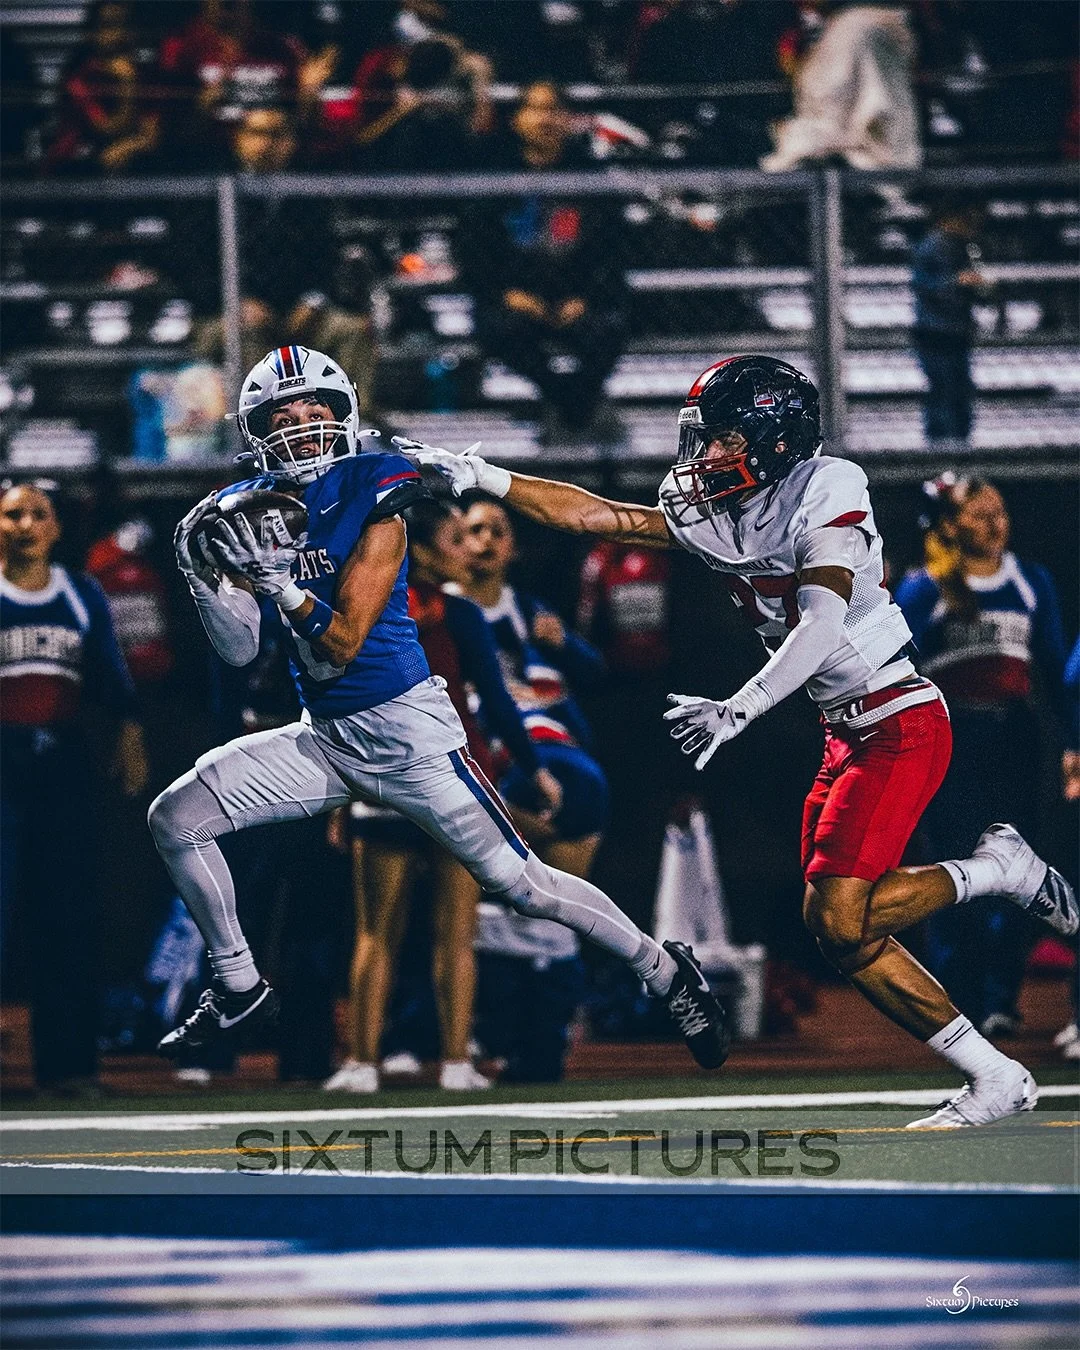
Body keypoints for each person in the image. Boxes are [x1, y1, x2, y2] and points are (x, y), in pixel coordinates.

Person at [409, 352, 1079, 1129]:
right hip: (844, 729)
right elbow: (602, 516)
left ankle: (997, 870)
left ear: (774, 439)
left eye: (722, 437)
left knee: (842, 918)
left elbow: (822, 622)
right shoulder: (713, 505)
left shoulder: (829, 485)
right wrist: (484, 476)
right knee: (841, 936)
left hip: (899, 719)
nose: (702, 455)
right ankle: (994, 1075)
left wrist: (740, 708)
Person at [147, 345, 728, 1073]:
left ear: (343, 415)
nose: (301, 428)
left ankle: (663, 969)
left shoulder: (374, 492)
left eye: (314, 411)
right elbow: (238, 653)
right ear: (256, 430)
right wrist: (207, 583)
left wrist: (281, 589)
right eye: (283, 417)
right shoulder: (249, 511)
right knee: (176, 818)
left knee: (523, 887)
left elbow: (343, 644)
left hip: (409, 737)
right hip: (326, 738)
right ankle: (237, 981)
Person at [326, 496, 562, 1093]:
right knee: (451, 935)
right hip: (449, 785)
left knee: (377, 933)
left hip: (382, 783)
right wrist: (534, 770)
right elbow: (496, 703)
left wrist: (340, 793)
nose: (468, 551)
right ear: (424, 550)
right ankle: (455, 1063)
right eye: (456, 540)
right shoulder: (455, 613)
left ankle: (362, 1064)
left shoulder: (359, 606)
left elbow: (337, 705)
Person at [895, 475, 1077, 1038]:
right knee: (954, 866)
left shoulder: (1030, 581)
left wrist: (1073, 742)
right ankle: (958, 997)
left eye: (1000, 511)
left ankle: (1001, 996)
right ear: (951, 525)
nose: (996, 524)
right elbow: (894, 670)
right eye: (980, 514)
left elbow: (1057, 672)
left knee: (1018, 865)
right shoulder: (924, 588)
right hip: (950, 743)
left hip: (1014, 740)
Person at [0, 480, 148, 1093]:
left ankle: (70, 1067)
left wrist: (130, 734)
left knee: (67, 915)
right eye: (12, 515)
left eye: (38, 514)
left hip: (62, 766)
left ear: (56, 528)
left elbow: (112, 675)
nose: (25, 525)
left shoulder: (81, 592)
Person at [458, 80, 629, 440]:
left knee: (611, 327)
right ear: (517, 119)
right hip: (513, 297)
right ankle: (569, 401)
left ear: (568, 119)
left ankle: (570, 403)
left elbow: (613, 248)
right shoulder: (494, 176)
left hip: (578, 296)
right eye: (535, 109)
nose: (545, 119)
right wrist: (508, 294)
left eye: (553, 110)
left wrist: (585, 297)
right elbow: (473, 248)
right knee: (501, 330)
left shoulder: (590, 177)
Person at [453, 497, 609, 883]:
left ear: (513, 549)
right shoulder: (439, 610)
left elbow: (595, 671)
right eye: (475, 530)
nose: (486, 540)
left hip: (548, 741)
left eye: (498, 532)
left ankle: (548, 917)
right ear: (454, 541)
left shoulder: (527, 610)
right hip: (477, 747)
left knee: (583, 785)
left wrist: (564, 644)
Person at [190, 106, 378, 417]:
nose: (267, 143)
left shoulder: (308, 192)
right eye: (257, 133)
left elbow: (325, 257)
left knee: (351, 331)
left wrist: (312, 300)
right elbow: (193, 264)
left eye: (277, 134)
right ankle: (261, 428)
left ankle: (351, 424)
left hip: (295, 312)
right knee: (246, 334)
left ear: (291, 142)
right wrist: (237, 302)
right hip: (226, 313)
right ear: (239, 139)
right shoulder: (208, 191)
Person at [910, 201, 987, 451]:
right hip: (937, 330)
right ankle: (944, 442)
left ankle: (955, 439)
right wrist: (958, 282)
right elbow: (927, 287)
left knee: (956, 388)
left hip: (951, 329)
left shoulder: (959, 246)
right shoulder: (935, 246)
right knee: (944, 388)